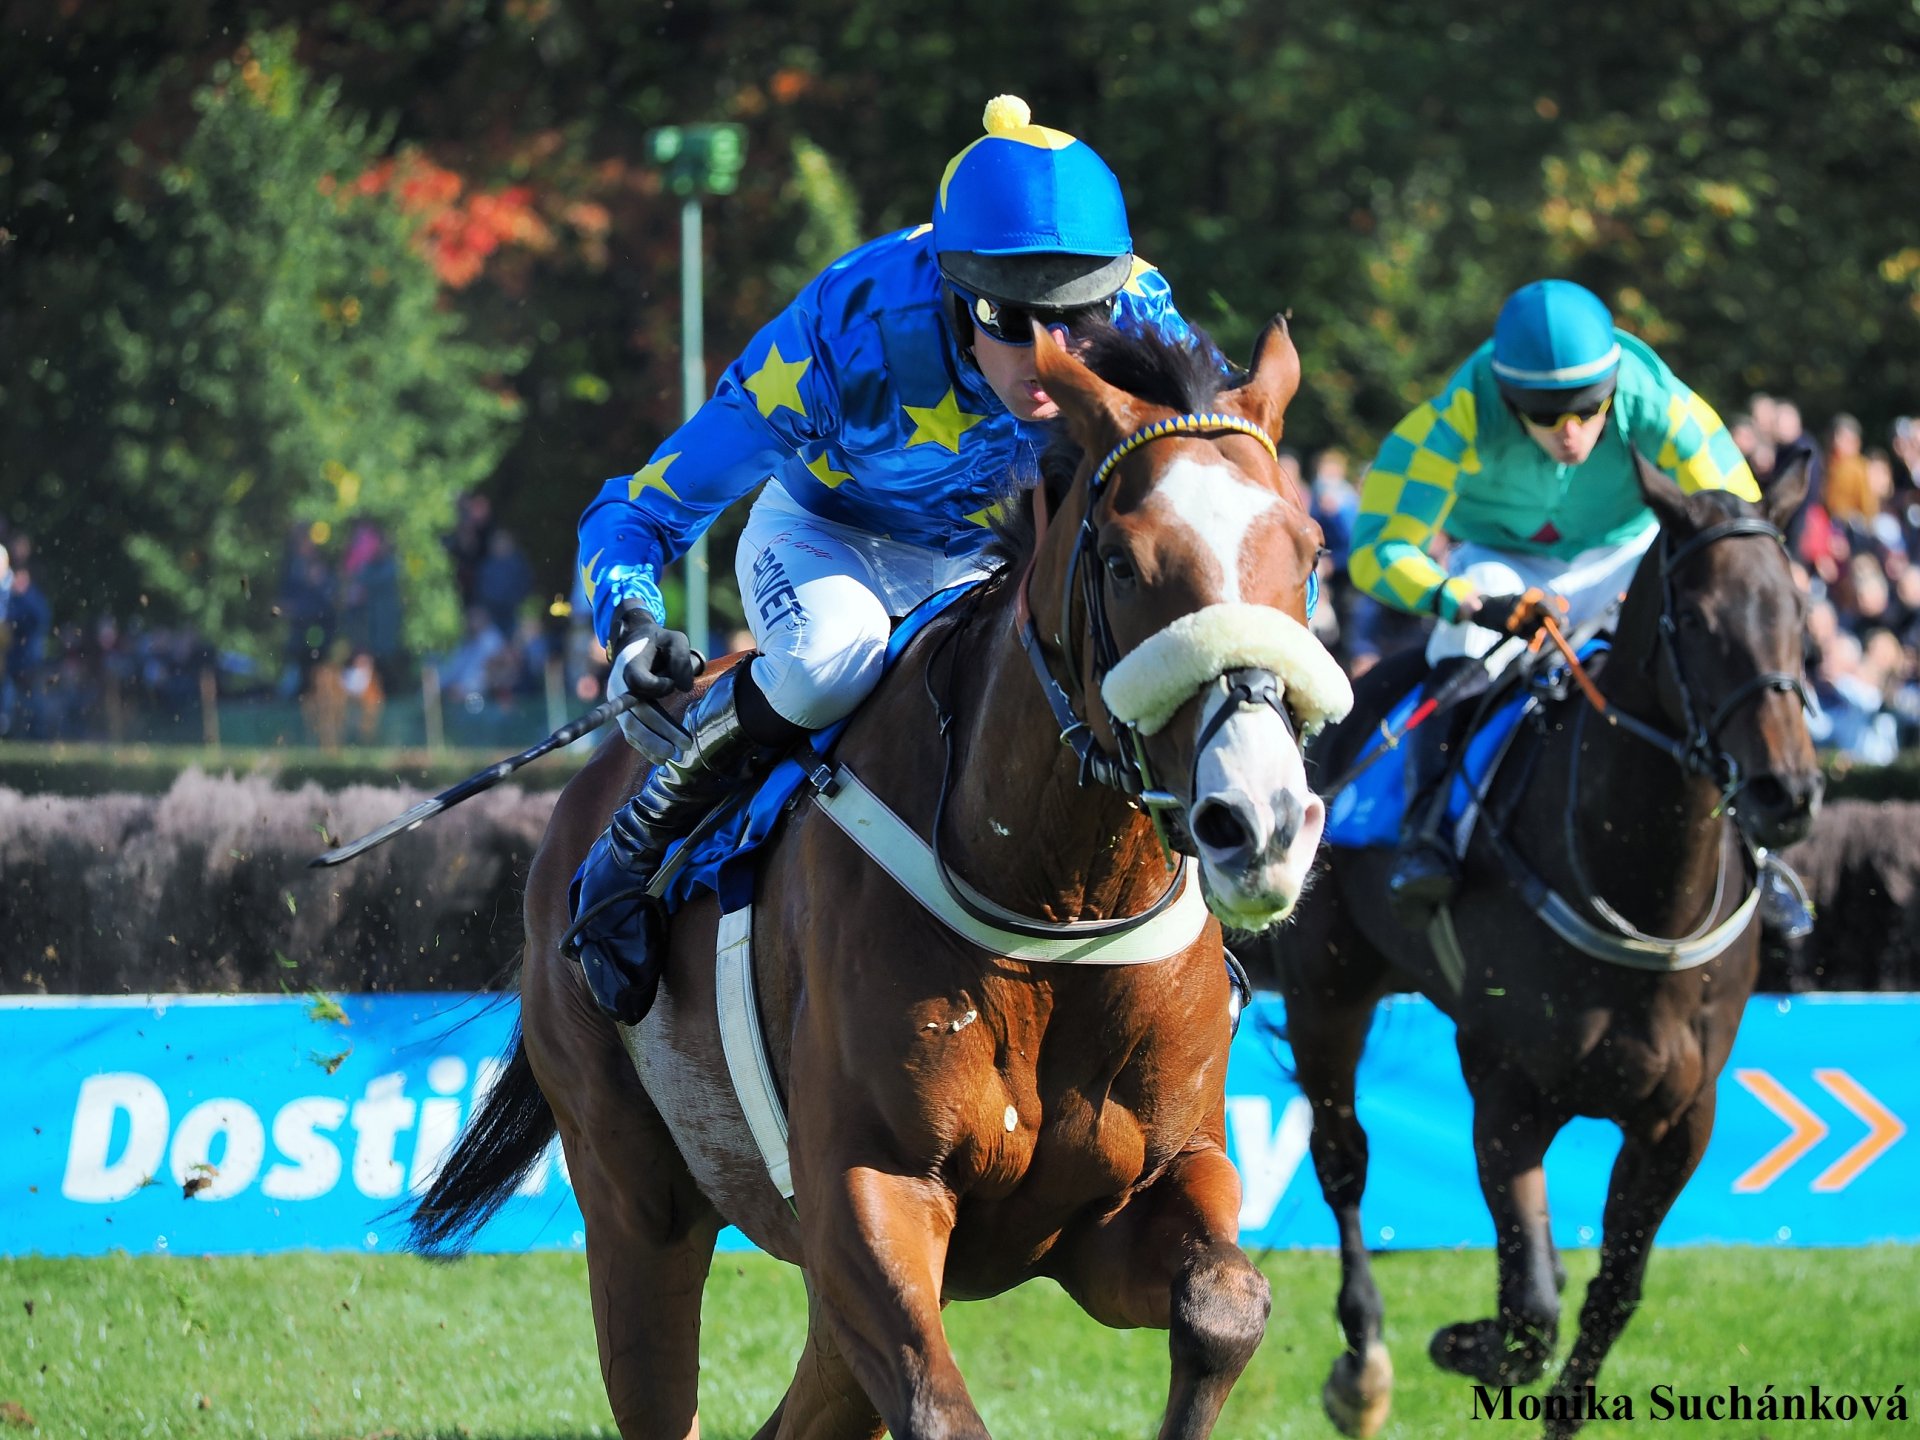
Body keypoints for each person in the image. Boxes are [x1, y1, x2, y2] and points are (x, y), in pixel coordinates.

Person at [564, 96, 1196, 1022]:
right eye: (1009, 320)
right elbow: (646, 507)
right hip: (828, 540)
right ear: (951, 288)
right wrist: (631, 627)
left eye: (1079, 318)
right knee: (831, 659)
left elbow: (1223, 479)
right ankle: (636, 839)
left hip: (996, 558)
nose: (1050, 358)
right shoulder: (840, 338)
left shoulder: (1143, 316)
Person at [1347, 278, 1815, 938]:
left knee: (1716, 650)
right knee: (1460, 650)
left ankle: (1759, 856)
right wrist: (1470, 602)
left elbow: (1743, 533)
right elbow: (1377, 547)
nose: (1571, 433)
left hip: (1629, 554)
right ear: (1509, 398)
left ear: (1614, 387)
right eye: (1545, 415)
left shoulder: (1658, 402)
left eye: (1590, 409)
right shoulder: (1456, 416)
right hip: (1501, 564)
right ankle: (1428, 834)